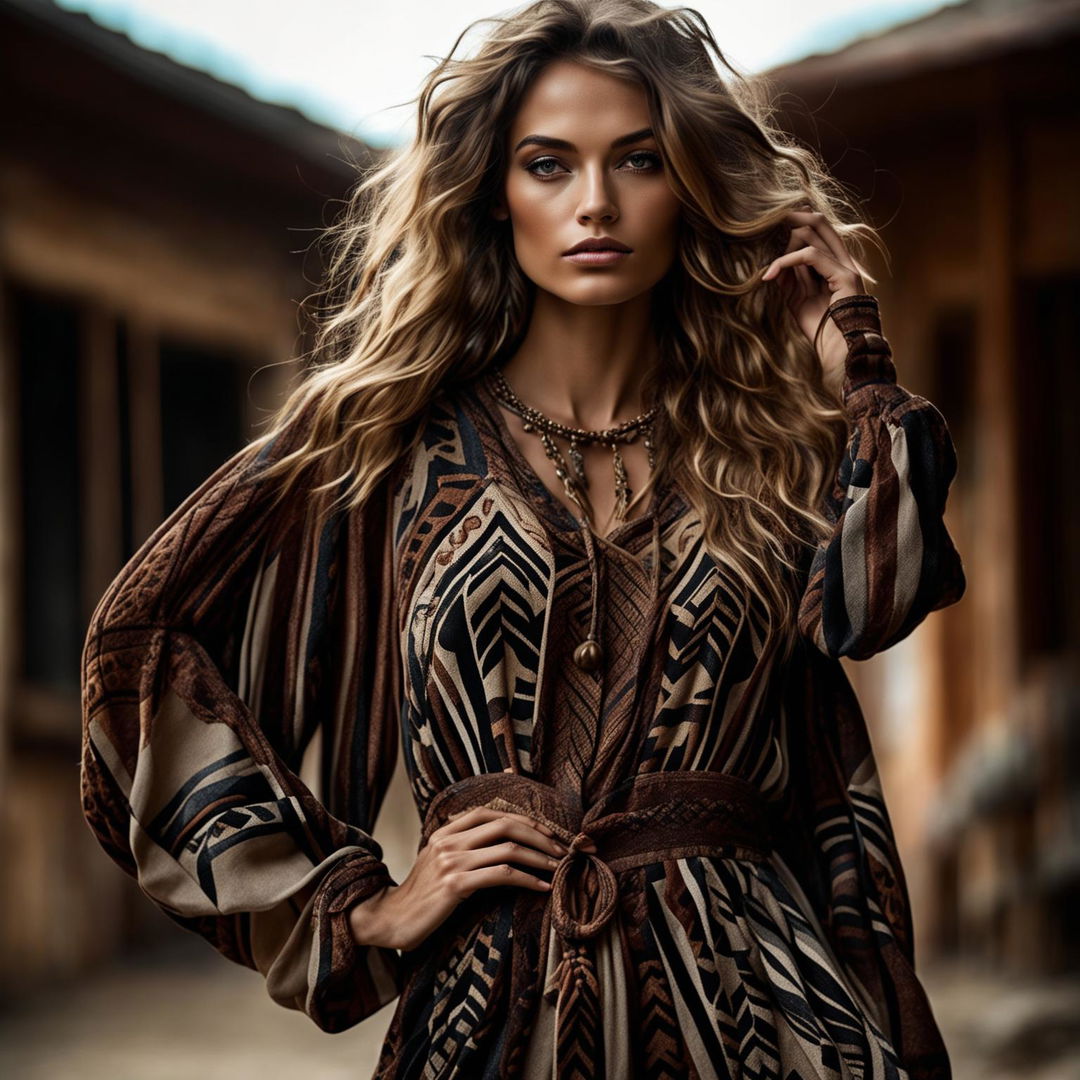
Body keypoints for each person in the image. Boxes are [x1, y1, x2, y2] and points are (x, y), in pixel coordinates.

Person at [79, 1, 967, 1077]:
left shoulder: (771, 445)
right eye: (549, 164)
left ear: (688, 184)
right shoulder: (385, 446)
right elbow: (140, 649)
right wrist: (357, 908)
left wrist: (856, 365)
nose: (596, 203)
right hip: (489, 1022)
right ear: (495, 196)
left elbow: (884, 602)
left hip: (763, 1020)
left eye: (638, 161)